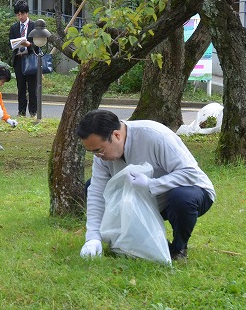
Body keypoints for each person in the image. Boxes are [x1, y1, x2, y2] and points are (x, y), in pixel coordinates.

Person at [76, 109, 215, 261]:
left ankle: (178, 249)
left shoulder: (155, 135)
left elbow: (190, 173)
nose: (98, 156)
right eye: (92, 152)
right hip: (144, 198)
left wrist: (151, 184)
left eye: (99, 150)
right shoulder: (101, 156)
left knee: (181, 197)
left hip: (189, 192)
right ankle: (134, 244)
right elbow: (97, 192)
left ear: (116, 135)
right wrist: (93, 237)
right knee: (92, 185)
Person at [8, 0, 38, 117]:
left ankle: (33, 112)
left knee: (32, 88)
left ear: (27, 13)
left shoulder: (34, 26)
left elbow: (39, 43)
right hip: (19, 60)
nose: (20, 17)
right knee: (20, 87)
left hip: (31, 59)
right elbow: (10, 43)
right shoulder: (14, 27)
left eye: (22, 14)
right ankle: (21, 112)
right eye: (18, 14)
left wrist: (29, 45)